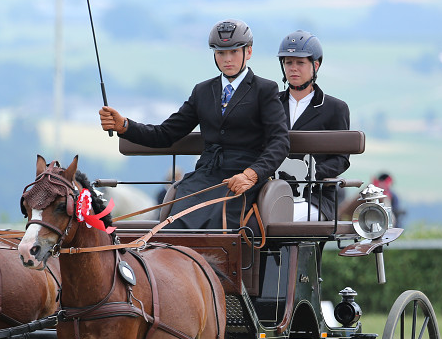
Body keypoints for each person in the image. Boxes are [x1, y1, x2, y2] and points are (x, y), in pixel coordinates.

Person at [100, 19, 288, 230]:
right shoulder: (203, 91)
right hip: (205, 176)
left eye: (233, 52)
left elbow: (279, 141)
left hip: (242, 178)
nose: (227, 59)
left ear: (249, 52)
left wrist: (252, 174)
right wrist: (125, 125)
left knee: (219, 223)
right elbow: (166, 133)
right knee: (175, 221)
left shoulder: (265, 90)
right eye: (220, 53)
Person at [276, 30, 350, 221]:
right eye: (288, 62)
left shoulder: (335, 108)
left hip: (315, 196)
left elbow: (341, 159)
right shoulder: (270, 104)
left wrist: (310, 173)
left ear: (315, 65)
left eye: (300, 63)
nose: (293, 68)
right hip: (272, 190)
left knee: (281, 217)